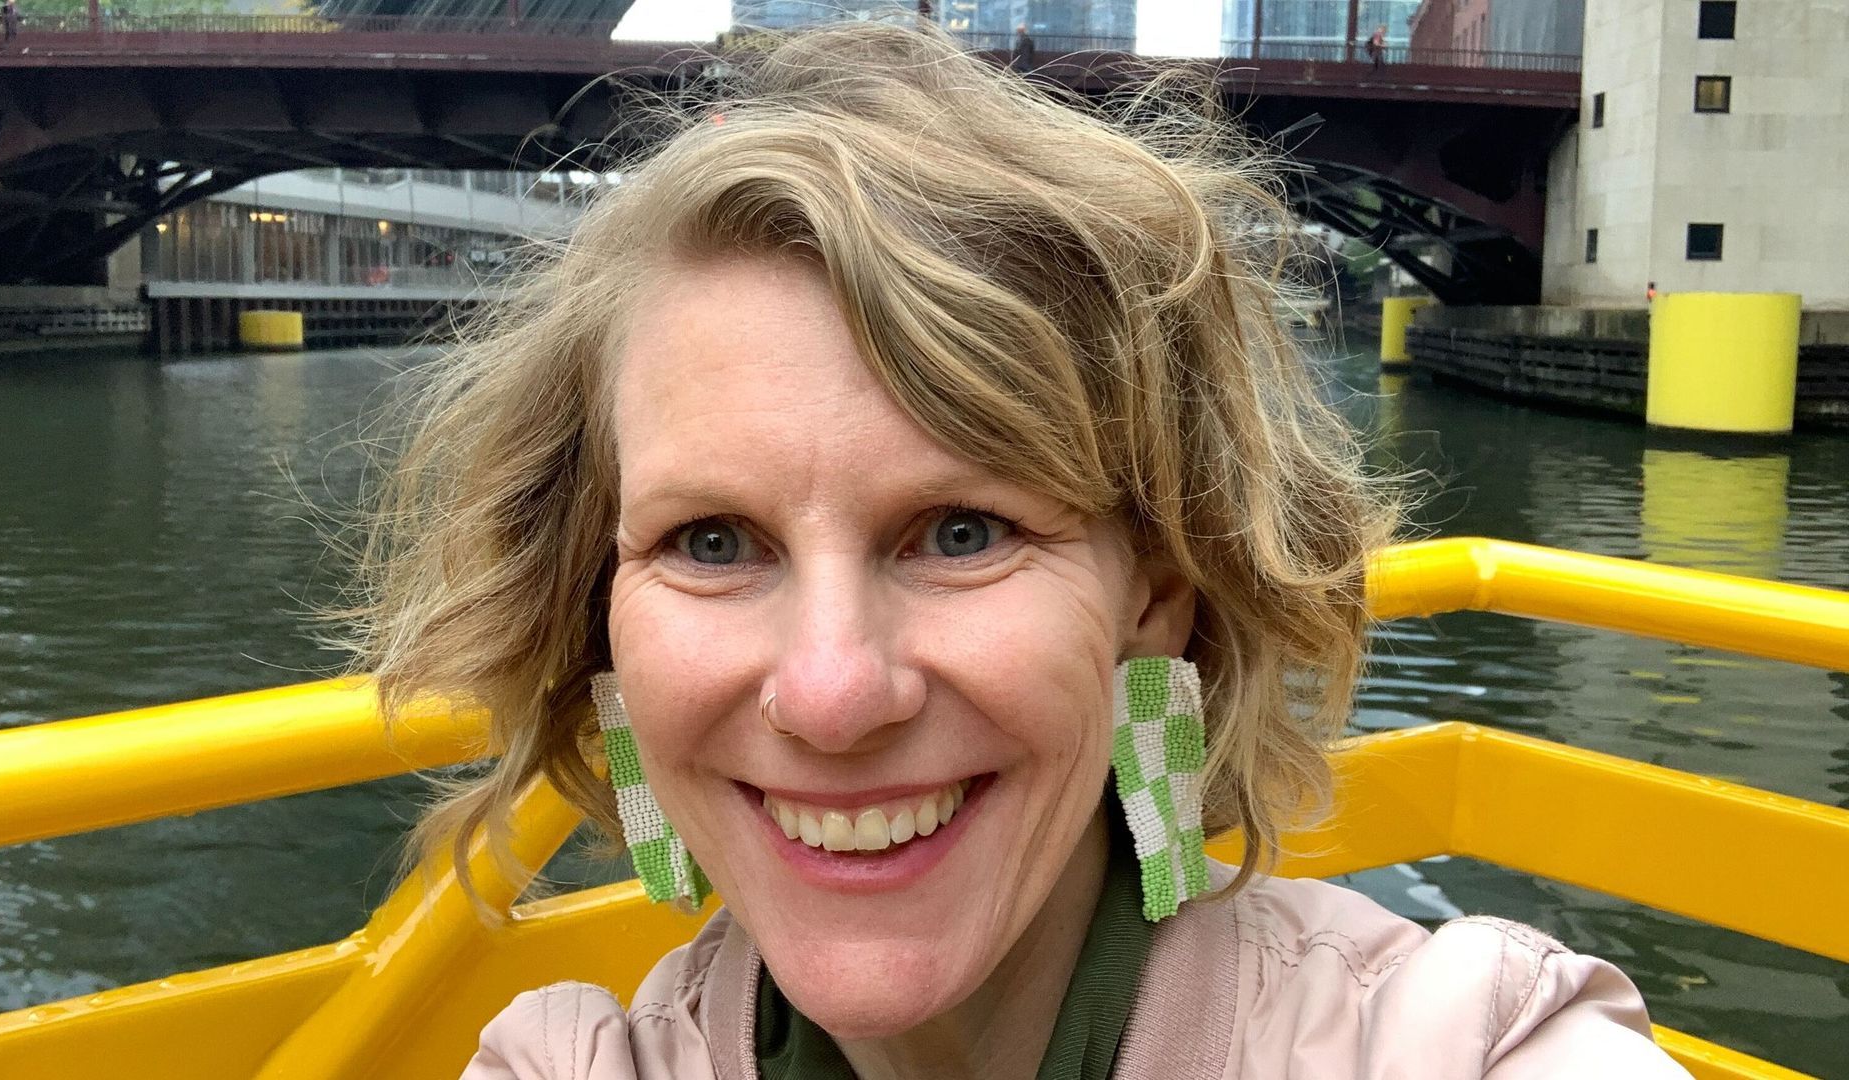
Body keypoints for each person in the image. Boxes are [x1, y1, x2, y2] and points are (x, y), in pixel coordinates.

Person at [351, 21, 1690, 1080]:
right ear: (601, 626)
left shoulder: (1460, 1044)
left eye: (962, 532)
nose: (830, 692)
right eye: (712, 541)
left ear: (1157, 591)